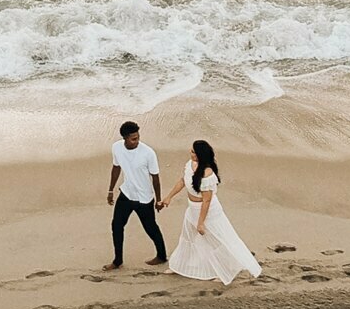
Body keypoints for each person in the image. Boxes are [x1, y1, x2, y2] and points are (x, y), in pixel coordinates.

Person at [159, 138, 261, 285]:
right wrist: (168, 197)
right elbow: (182, 181)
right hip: (192, 208)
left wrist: (201, 223)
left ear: (200, 154)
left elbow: (206, 201)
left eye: (193, 151)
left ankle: (225, 271)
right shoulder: (190, 164)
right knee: (187, 237)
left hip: (208, 213)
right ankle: (178, 266)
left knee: (217, 241)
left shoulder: (207, 174)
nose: (190, 152)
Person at [103, 120, 166, 270]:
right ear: (124, 138)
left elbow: (155, 178)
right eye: (133, 138)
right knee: (116, 225)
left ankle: (162, 256)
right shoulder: (117, 148)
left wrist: (158, 200)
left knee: (150, 228)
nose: (137, 141)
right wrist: (110, 190)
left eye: (137, 137)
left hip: (144, 198)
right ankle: (118, 261)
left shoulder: (148, 153)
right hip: (126, 193)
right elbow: (116, 168)